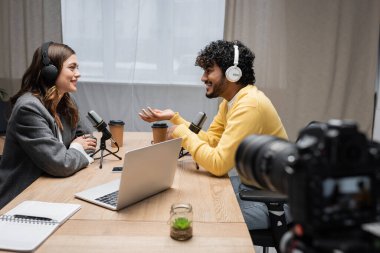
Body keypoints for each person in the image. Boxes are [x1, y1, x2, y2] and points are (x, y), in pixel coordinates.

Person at [139, 40, 291, 230]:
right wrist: (176, 119)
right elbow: (212, 142)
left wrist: (181, 134)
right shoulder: (231, 102)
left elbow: (219, 165)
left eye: (208, 70)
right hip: (256, 188)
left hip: (275, 203)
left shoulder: (249, 105)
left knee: (198, 215)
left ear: (232, 73)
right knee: (189, 201)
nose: (203, 78)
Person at [0, 42, 97, 209]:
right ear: (50, 72)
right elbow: (60, 164)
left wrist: (72, 153)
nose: (78, 74)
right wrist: (74, 149)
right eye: (72, 68)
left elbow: (88, 140)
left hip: (52, 187)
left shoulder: (65, 101)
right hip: (21, 199)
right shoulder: (28, 108)